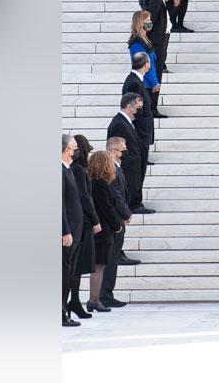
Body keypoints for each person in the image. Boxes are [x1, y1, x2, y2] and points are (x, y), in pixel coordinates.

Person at [98, 136, 138, 308]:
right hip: (114, 221)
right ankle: (105, 295)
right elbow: (116, 196)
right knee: (110, 261)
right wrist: (125, 213)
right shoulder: (110, 170)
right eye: (123, 149)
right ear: (114, 152)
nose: (125, 152)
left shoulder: (116, 168)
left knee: (112, 260)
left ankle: (107, 294)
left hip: (117, 220)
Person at [85, 149, 125, 314]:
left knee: (99, 266)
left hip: (100, 230)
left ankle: (95, 299)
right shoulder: (100, 184)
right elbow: (107, 208)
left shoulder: (93, 182)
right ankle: (94, 300)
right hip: (103, 231)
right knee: (99, 267)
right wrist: (117, 225)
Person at [107, 91, 156, 215]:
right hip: (128, 167)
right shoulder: (119, 123)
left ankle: (135, 203)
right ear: (129, 107)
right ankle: (133, 205)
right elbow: (116, 147)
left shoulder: (126, 121)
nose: (140, 111)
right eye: (138, 108)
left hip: (133, 165)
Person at [68, 136, 100, 319]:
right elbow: (85, 197)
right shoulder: (79, 170)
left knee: (78, 267)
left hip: (82, 222)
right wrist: (95, 220)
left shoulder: (78, 169)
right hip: (83, 223)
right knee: (77, 267)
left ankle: (75, 301)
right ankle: (74, 301)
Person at [119, 53, 156, 198]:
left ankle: (136, 200)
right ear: (146, 64)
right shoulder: (134, 82)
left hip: (142, 130)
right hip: (140, 131)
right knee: (138, 169)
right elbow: (133, 109)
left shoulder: (136, 80)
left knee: (140, 167)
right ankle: (135, 201)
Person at [62, 134, 85, 327]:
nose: (75, 151)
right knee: (63, 273)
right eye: (72, 148)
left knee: (69, 273)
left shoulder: (68, 169)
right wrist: (65, 230)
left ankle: (64, 310)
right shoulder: (60, 171)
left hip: (75, 231)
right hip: (67, 232)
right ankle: (61, 313)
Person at [140, 0, 175, 76]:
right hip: (156, 40)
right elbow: (149, 21)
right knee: (156, 70)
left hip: (161, 37)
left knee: (158, 68)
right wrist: (145, 38)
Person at [127, 10, 162, 118]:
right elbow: (144, 64)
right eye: (147, 20)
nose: (150, 22)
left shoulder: (145, 39)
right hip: (145, 82)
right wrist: (154, 82)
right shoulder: (138, 43)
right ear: (140, 23)